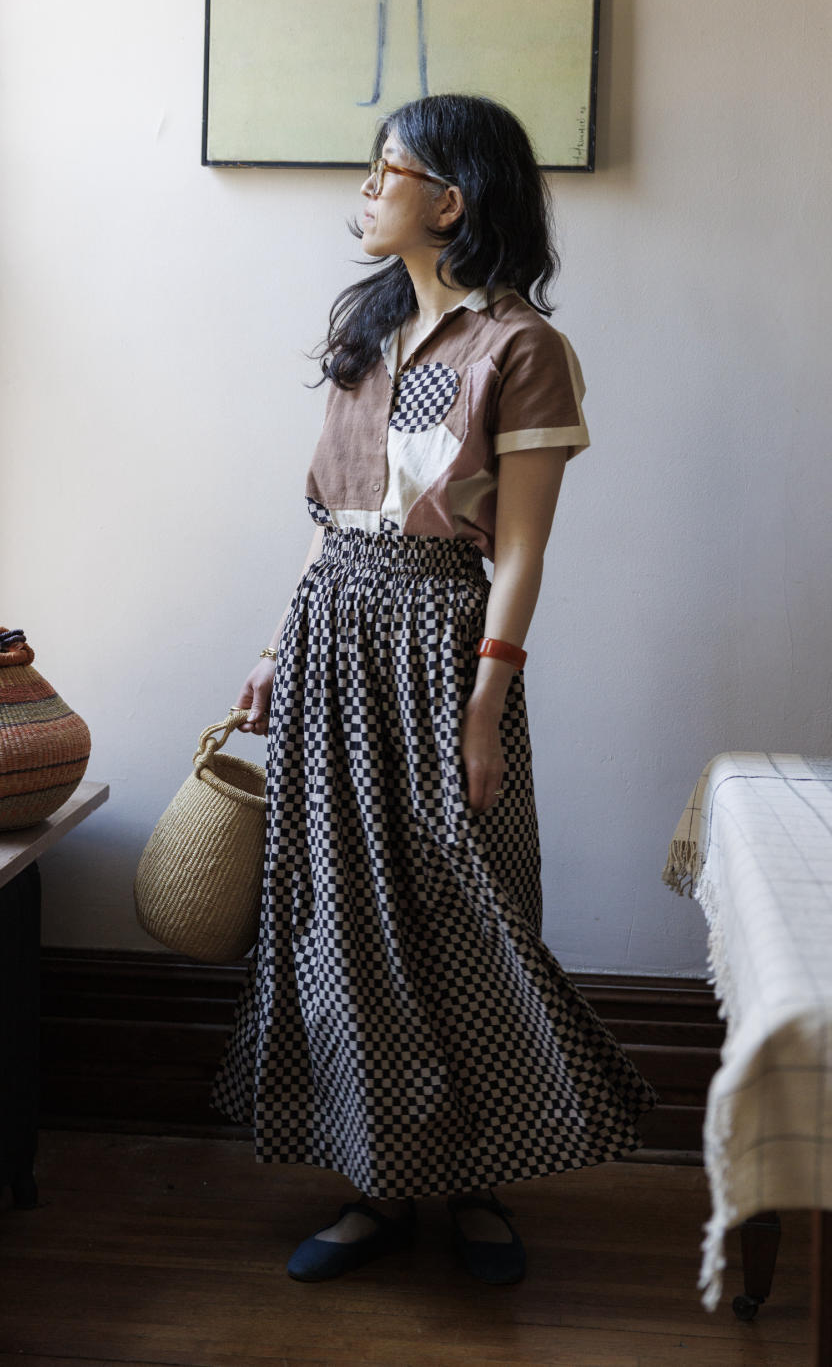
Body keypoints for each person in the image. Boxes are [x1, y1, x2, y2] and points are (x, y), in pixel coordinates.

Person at [210, 94, 658, 1284]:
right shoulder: (362, 328)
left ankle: (475, 1182)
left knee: (471, 910)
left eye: (384, 171)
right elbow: (326, 526)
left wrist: (482, 705)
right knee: (344, 919)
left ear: (449, 202)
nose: (363, 192)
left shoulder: (520, 349)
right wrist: (269, 651)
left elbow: (518, 551)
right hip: (332, 636)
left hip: (444, 644)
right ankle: (372, 1180)